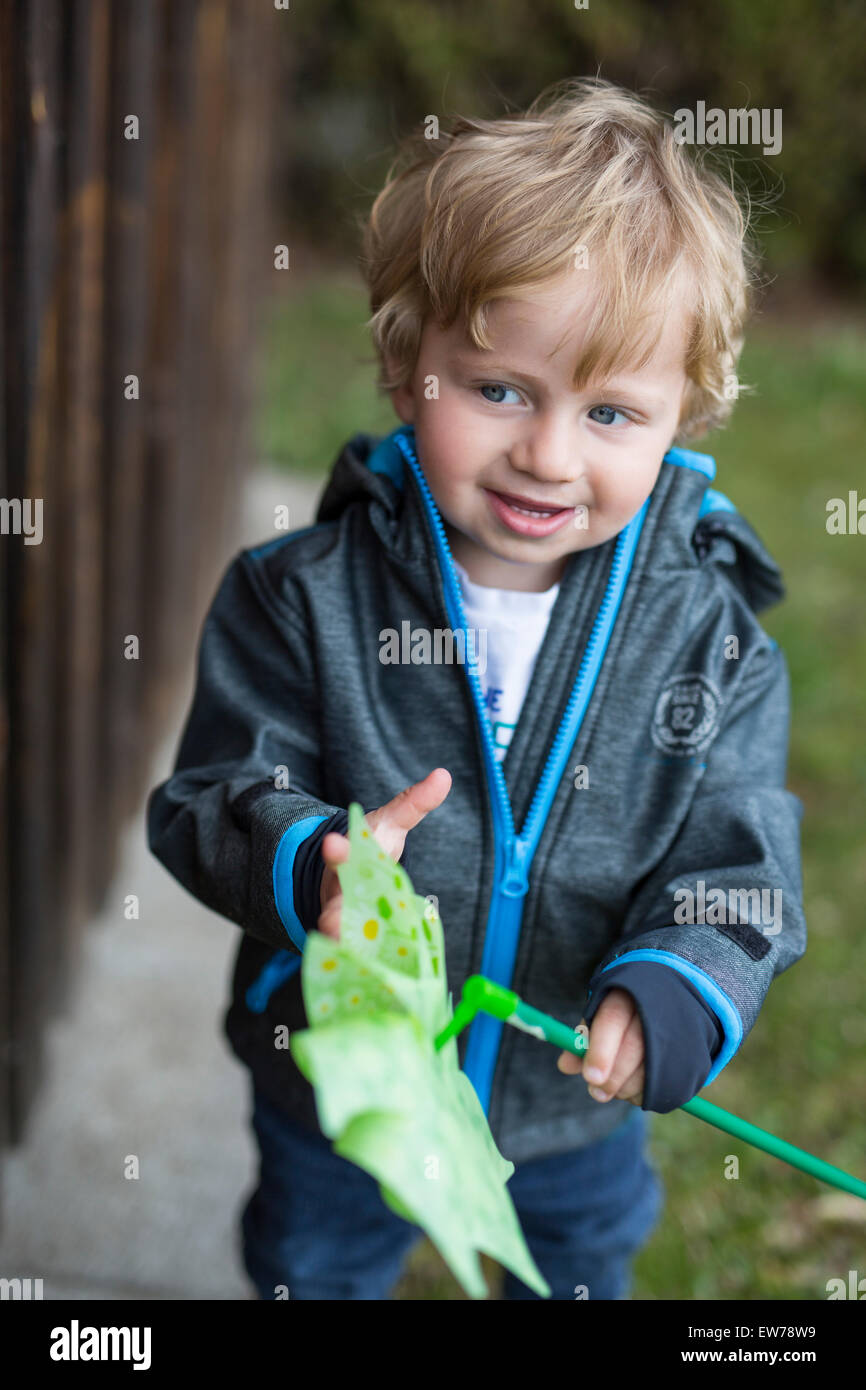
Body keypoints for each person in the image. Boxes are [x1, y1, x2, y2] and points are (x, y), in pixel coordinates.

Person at [146, 76, 806, 1300]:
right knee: (312, 1266)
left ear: (681, 419)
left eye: (610, 411)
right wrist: (309, 860)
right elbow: (211, 794)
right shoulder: (301, 597)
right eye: (500, 389)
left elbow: (738, 862)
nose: (548, 454)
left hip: (568, 1119)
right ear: (407, 373)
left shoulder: (707, 640)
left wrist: (678, 983)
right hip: (341, 1084)